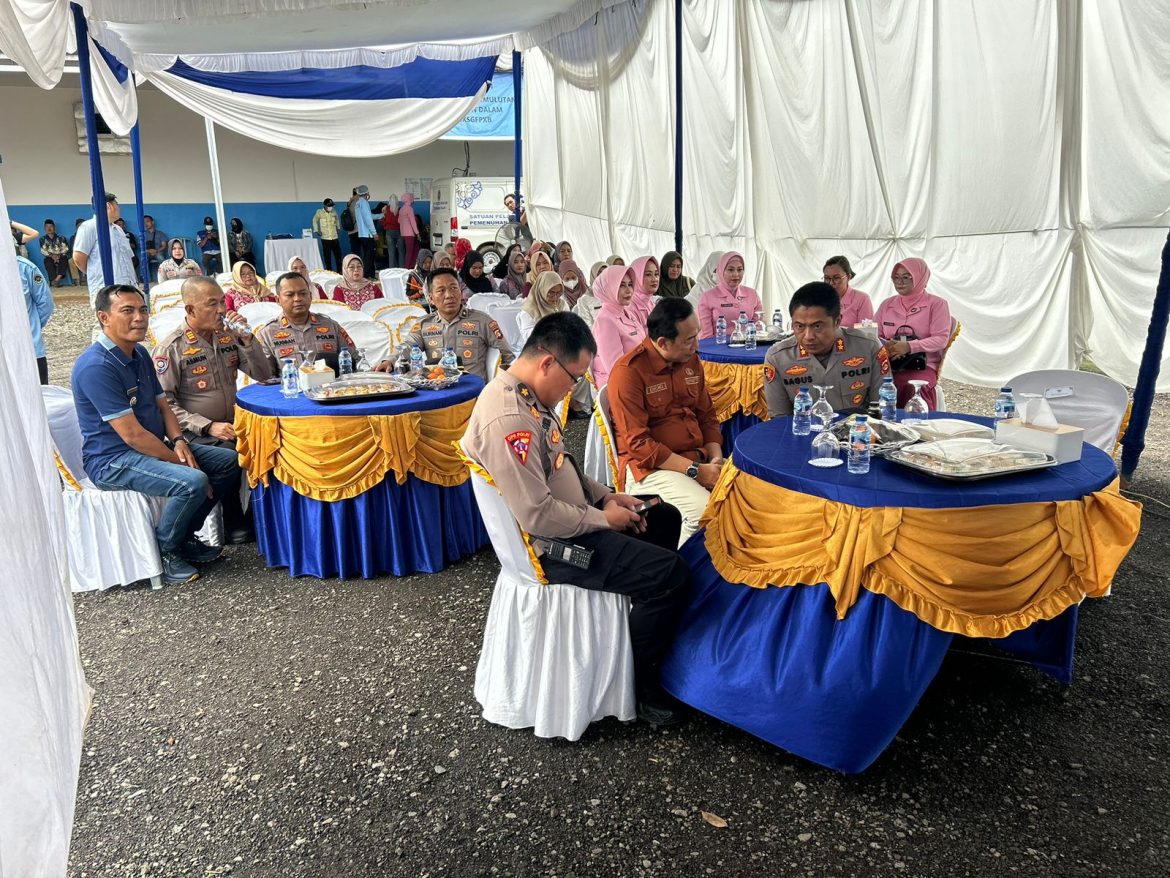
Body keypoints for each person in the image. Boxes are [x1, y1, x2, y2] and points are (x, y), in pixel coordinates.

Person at [462, 310, 692, 727]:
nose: (575, 388)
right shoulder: (509, 418)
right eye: (575, 378)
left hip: (575, 521)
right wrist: (604, 520)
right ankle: (641, 683)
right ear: (548, 362)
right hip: (554, 548)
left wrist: (609, 496)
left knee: (662, 515)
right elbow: (537, 516)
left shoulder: (527, 394)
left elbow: (561, 464)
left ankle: (635, 633)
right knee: (671, 574)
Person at [71, 284, 240, 585]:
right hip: (112, 460)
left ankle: (186, 536)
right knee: (193, 481)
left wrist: (178, 441)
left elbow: (164, 407)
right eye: (127, 311)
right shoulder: (95, 366)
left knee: (228, 462)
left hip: (151, 447)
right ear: (103, 317)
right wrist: (181, 463)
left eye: (142, 309)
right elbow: (133, 436)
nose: (139, 317)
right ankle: (167, 549)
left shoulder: (139, 354)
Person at [151, 276, 273, 543]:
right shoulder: (172, 348)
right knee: (227, 452)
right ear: (190, 310)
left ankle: (263, 513)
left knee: (271, 441)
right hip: (192, 431)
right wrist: (207, 425)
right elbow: (164, 404)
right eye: (212, 304)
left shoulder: (228, 336)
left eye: (222, 302)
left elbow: (264, 374)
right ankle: (232, 521)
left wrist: (247, 340)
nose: (221, 309)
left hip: (233, 422)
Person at [608, 298, 723, 546]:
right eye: (689, 339)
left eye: (696, 335)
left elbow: (707, 415)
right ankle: (675, 572)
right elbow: (639, 444)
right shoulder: (628, 372)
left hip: (699, 458)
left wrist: (716, 458)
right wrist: (695, 471)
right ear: (662, 343)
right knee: (703, 512)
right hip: (651, 469)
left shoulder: (690, 359)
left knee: (748, 498)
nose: (696, 344)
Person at [763, 281, 889, 417]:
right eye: (799, 326)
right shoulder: (777, 358)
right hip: (804, 435)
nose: (808, 336)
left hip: (859, 433)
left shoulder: (868, 347)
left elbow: (884, 409)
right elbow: (779, 419)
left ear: (837, 321)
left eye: (817, 326)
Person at [392, 267, 514, 380]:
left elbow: (508, 356)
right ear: (430, 298)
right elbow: (407, 346)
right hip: (438, 392)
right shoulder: (424, 324)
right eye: (441, 290)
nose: (449, 295)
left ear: (460, 292)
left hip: (473, 395)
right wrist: (389, 361)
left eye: (453, 288)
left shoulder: (482, 321)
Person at [875, 257, 952, 409]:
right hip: (889, 362)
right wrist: (889, 347)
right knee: (864, 381)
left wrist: (909, 346)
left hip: (922, 366)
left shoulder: (937, 304)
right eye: (896, 278)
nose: (900, 282)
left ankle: (916, 426)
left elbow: (941, 339)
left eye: (906, 277)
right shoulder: (887, 304)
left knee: (909, 386)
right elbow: (875, 334)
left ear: (920, 277)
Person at [256, 273, 360, 375]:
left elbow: (355, 360)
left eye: (303, 293)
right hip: (291, 390)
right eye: (290, 295)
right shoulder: (267, 333)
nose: (297, 299)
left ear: (310, 296)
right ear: (278, 300)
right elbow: (265, 377)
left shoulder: (330, 326)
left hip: (330, 389)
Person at [73, 193, 139, 304]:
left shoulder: (118, 229)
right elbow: (79, 258)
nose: (119, 208)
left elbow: (127, 257)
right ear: (109, 206)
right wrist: (96, 272)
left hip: (127, 286)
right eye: (116, 204)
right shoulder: (89, 227)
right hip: (107, 288)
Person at [590, 264, 644, 387]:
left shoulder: (627, 313)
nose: (629, 290)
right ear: (609, 288)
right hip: (619, 386)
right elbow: (616, 367)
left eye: (630, 284)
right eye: (621, 285)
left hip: (638, 378)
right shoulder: (605, 320)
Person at [696, 251, 763, 340]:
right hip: (718, 349)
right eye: (730, 270)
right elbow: (706, 336)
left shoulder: (752, 294)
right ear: (721, 271)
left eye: (740, 270)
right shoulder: (707, 297)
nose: (736, 274)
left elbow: (758, 329)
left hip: (748, 347)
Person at [18, 254, 55, 384]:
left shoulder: (24, 268)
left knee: (40, 397)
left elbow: (46, 304)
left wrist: (31, 326)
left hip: (30, 351)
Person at [518, 270, 568, 350]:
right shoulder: (529, 310)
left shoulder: (561, 304)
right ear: (542, 289)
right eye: (551, 292)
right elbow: (528, 336)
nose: (555, 297)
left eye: (558, 293)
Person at [823, 255, 874, 328]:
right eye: (827, 278)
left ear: (848, 277)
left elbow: (867, 331)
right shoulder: (820, 299)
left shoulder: (862, 299)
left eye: (836, 278)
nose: (831, 283)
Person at [571, 261, 605, 328]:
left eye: (605, 272)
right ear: (593, 275)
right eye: (599, 273)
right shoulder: (584, 300)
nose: (603, 275)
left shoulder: (614, 295)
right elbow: (587, 327)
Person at [312, 198, 343, 272]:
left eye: (331, 205)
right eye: (329, 206)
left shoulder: (334, 211)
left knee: (338, 256)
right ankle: (329, 272)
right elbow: (314, 220)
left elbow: (337, 220)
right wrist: (317, 230)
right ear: (325, 205)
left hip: (334, 237)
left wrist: (338, 228)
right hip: (325, 238)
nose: (330, 207)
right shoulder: (319, 212)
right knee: (327, 257)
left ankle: (340, 272)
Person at [628, 255, 661, 325]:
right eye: (648, 275)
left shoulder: (651, 302)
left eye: (656, 274)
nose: (654, 279)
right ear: (636, 276)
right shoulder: (630, 307)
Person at [352, 184, 376, 277]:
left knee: (367, 255)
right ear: (366, 193)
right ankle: (366, 275)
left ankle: (370, 274)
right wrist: (374, 233)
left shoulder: (357, 204)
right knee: (369, 256)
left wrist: (381, 215)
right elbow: (368, 219)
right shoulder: (364, 203)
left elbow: (369, 216)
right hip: (368, 234)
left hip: (361, 234)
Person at [39, 220, 72, 287]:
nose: (49, 228)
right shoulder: (42, 239)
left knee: (64, 259)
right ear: (44, 228)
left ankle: (56, 280)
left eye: (51, 226)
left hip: (61, 256)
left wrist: (58, 256)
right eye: (47, 227)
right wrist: (52, 256)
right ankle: (54, 280)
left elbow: (65, 249)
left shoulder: (61, 238)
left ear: (54, 228)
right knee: (47, 261)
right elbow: (43, 250)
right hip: (50, 257)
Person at [399, 193, 422, 270]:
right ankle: (407, 268)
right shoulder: (409, 209)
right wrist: (417, 233)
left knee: (413, 250)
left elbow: (399, 221)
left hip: (404, 234)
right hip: (410, 234)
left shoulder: (402, 209)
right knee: (410, 252)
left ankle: (413, 266)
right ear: (410, 200)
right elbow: (413, 222)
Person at [381, 195, 403, 269]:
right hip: (399, 232)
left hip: (389, 232)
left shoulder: (386, 209)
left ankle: (392, 269)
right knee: (401, 252)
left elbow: (383, 221)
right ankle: (402, 269)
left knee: (391, 253)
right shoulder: (400, 210)